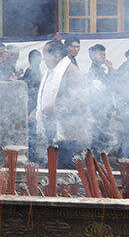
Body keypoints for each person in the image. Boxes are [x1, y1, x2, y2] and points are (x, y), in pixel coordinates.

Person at [36, 40, 89, 168]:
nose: (44, 59)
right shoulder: (51, 71)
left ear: (56, 56)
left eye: (45, 56)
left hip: (68, 132)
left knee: (65, 169)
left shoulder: (72, 72)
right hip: (54, 128)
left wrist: (54, 108)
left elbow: (80, 100)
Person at [22, 50, 44, 162]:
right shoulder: (30, 72)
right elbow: (29, 92)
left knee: (33, 133)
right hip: (30, 108)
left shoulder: (37, 71)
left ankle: (32, 154)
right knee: (30, 134)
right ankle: (30, 156)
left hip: (35, 107)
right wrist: (31, 110)